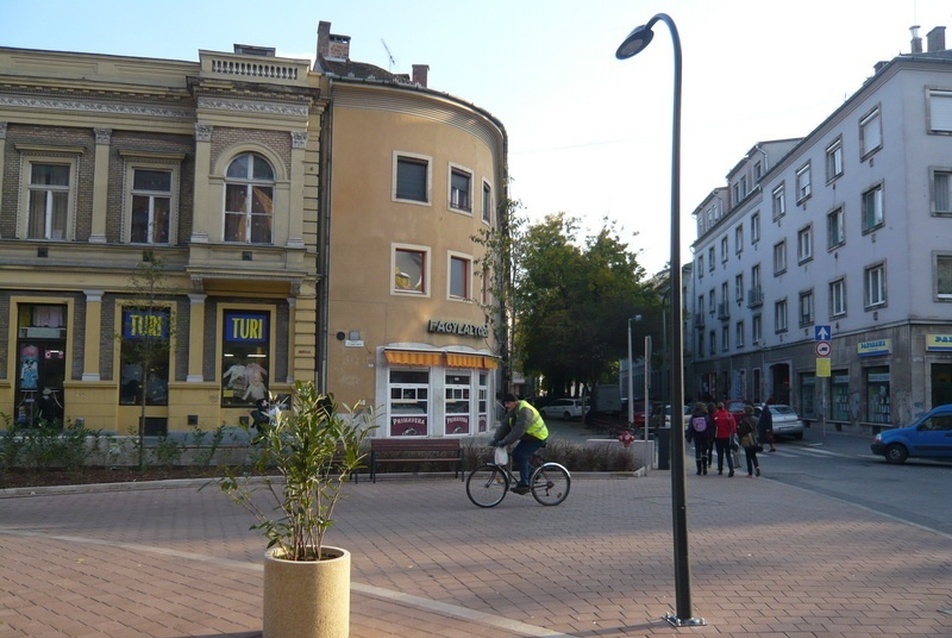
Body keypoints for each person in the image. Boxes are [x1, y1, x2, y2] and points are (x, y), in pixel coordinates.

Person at [493, 393, 550, 494]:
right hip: (529, 437)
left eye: (508, 403)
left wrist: (505, 442)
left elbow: (518, 430)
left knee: (523, 456)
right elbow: (504, 426)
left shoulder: (525, 410)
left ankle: (524, 484)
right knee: (515, 454)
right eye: (505, 403)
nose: (506, 405)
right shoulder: (513, 410)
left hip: (538, 437)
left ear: (515, 402)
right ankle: (533, 473)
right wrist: (496, 439)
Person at [685, 402, 715, 475]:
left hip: (696, 435)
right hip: (705, 435)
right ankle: (705, 468)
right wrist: (711, 436)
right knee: (704, 451)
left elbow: (690, 427)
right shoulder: (706, 416)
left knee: (698, 451)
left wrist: (689, 437)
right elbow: (709, 427)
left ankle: (699, 469)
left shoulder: (693, 416)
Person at [711, 401, 737, 477]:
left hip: (719, 437)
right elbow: (733, 426)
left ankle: (720, 469)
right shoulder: (729, 415)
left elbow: (713, 425)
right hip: (728, 437)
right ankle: (731, 469)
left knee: (720, 454)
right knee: (728, 454)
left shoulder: (715, 415)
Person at [737, 405, 762, 477]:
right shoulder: (756, 419)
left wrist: (740, 437)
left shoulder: (744, 420)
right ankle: (757, 467)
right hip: (755, 438)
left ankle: (750, 472)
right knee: (754, 455)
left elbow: (742, 430)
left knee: (748, 455)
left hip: (747, 438)